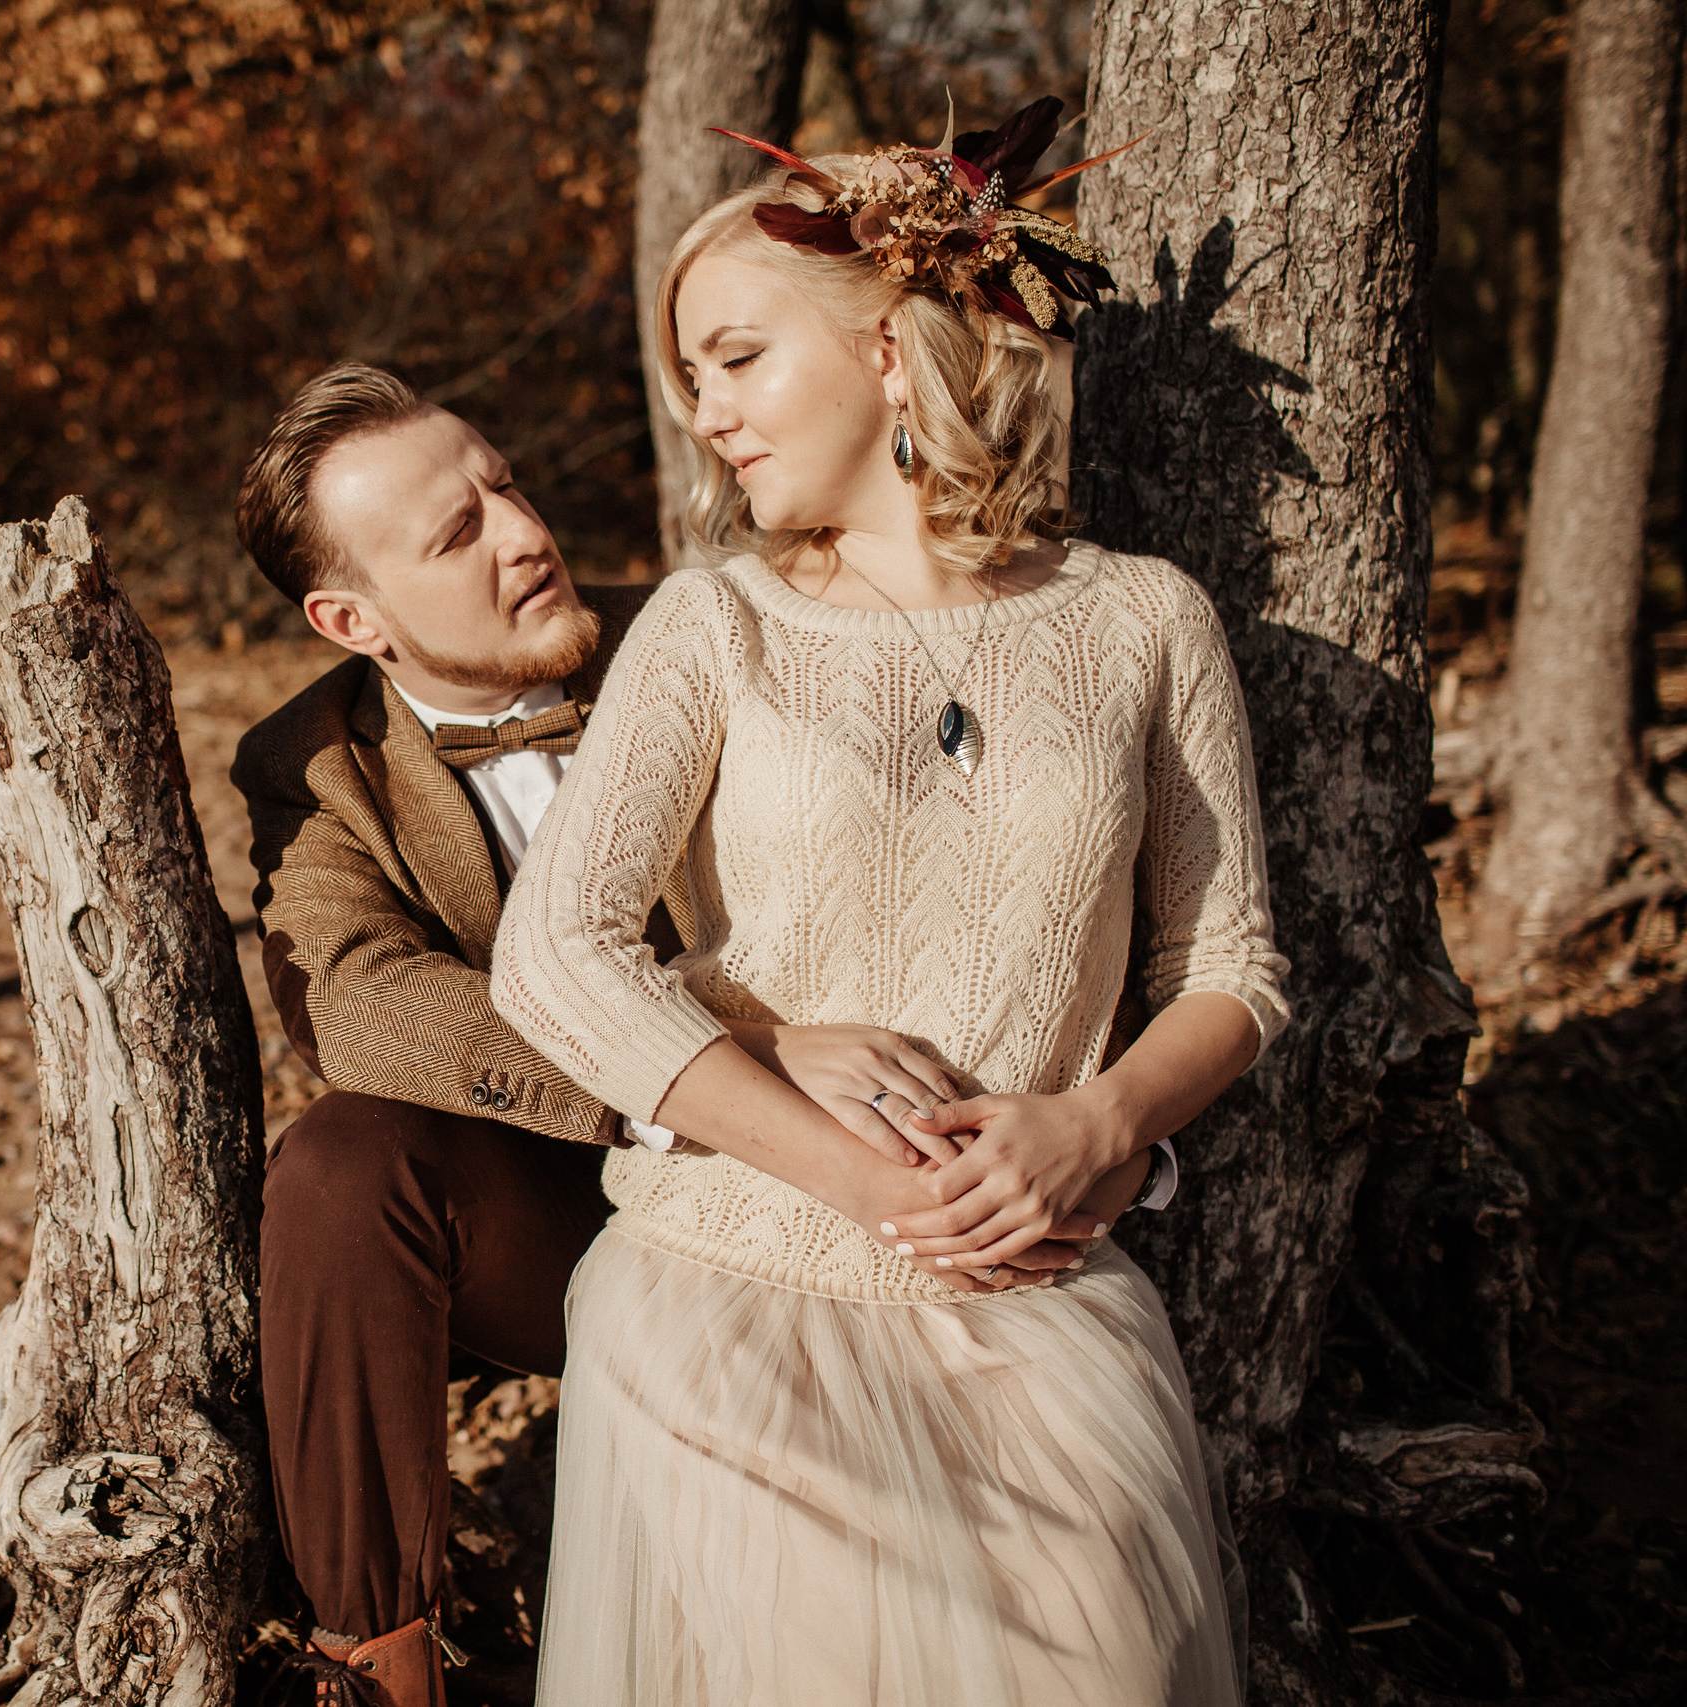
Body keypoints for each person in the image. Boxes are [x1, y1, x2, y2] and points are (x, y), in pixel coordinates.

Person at [489, 102, 1287, 1704]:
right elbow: (555, 957)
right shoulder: (711, 628)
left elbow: (1235, 964)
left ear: (886, 351)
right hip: (740, 1302)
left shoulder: (1143, 622)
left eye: (734, 358)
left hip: (1039, 1301)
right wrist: (854, 1174)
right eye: (689, 378)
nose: (706, 411)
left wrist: (1104, 1123)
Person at [227, 361, 1176, 1705]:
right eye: (457, 534)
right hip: (564, 1190)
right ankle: (374, 1668)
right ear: (348, 615)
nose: (523, 533)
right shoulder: (317, 762)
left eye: (503, 484)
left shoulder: (726, 627)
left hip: (856, 1165)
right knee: (342, 1163)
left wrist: (1111, 1131)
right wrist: (720, 1055)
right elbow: (362, 1002)